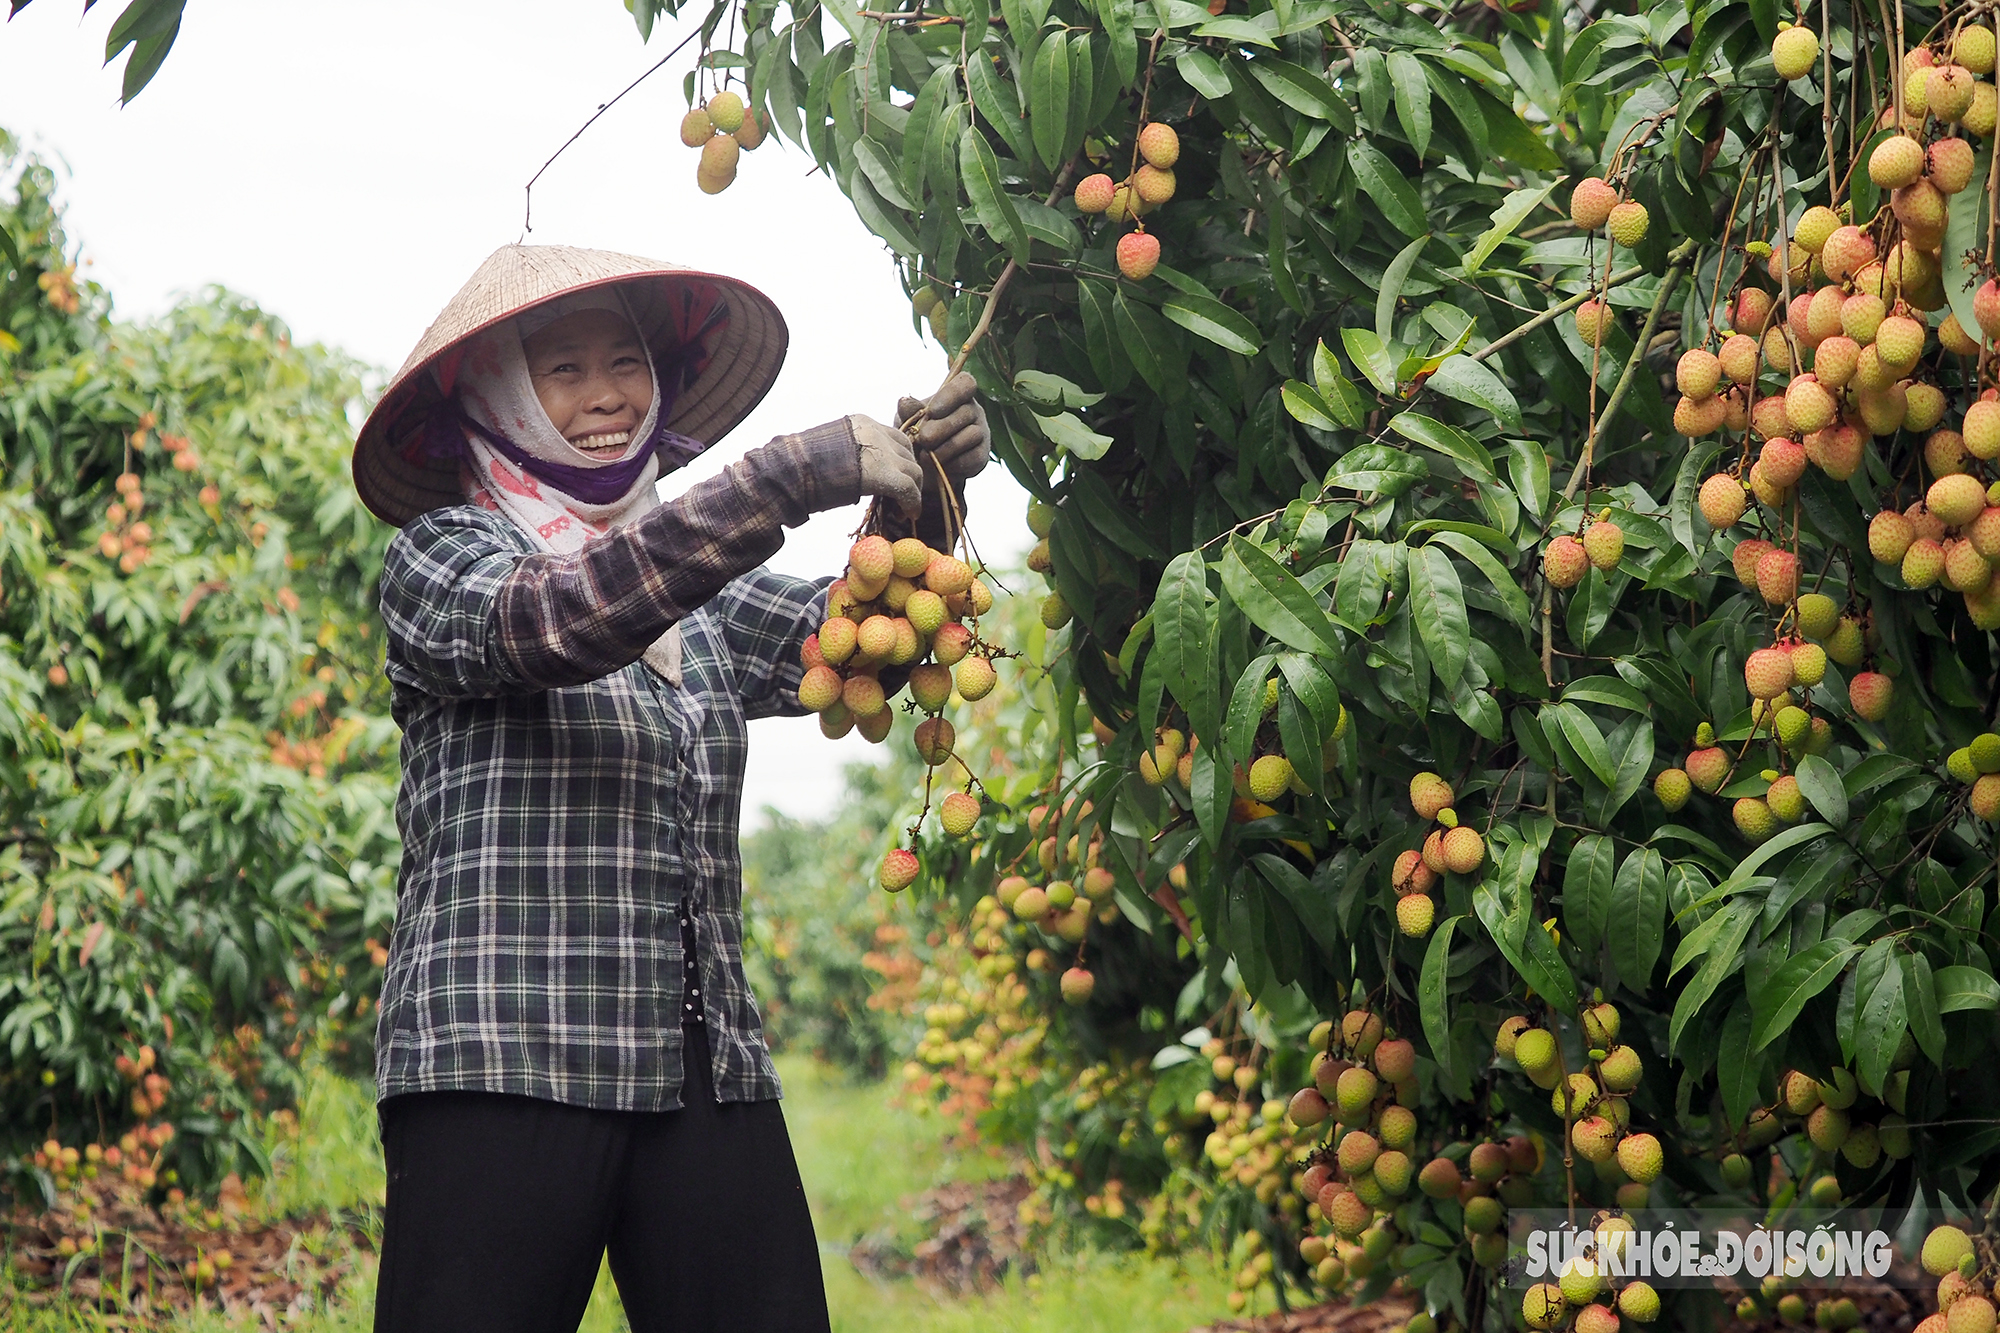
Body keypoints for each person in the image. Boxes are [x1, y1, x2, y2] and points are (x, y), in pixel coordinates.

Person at [348, 243, 989, 1333]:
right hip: (501, 1055)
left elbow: (857, 647)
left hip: (700, 1065)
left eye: (625, 363)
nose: (605, 396)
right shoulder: (441, 558)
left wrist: (924, 498)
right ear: (495, 396)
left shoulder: (694, 595)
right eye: (561, 371)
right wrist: (787, 474)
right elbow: (554, 623)